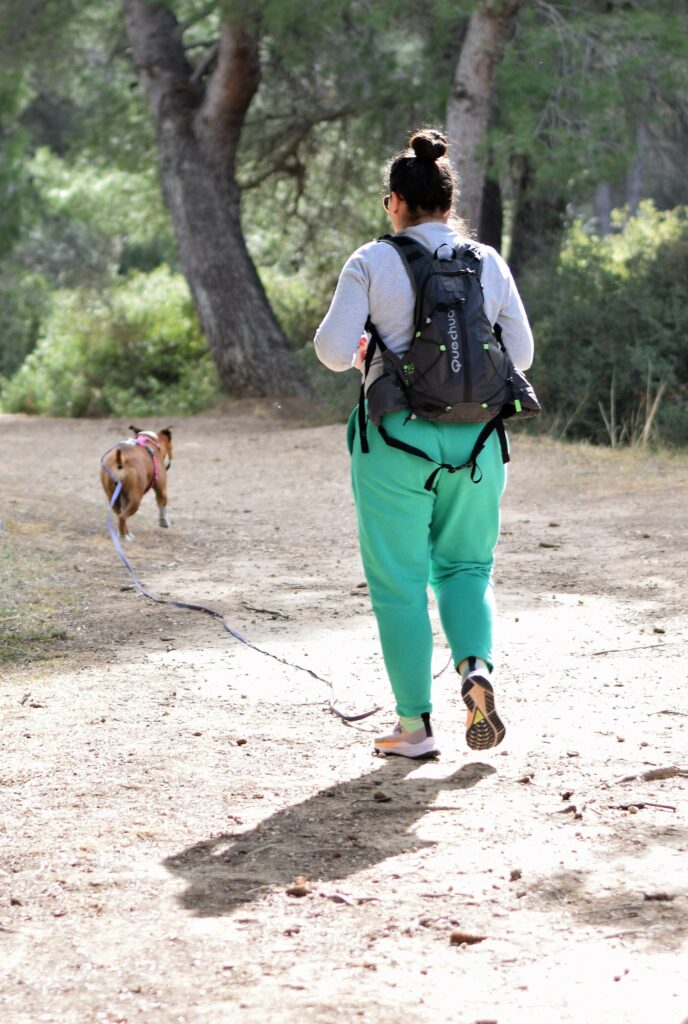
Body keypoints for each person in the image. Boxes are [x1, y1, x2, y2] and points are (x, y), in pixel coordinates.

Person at [314, 128, 534, 758]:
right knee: (466, 567)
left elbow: (333, 353)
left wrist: (369, 347)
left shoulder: (371, 260)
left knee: (400, 584)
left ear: (394, 203)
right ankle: (474, 668)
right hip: (478, 446)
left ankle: (414, 726)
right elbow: (519, 354)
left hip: (396, 442)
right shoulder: (487, 260)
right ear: (448, 201)